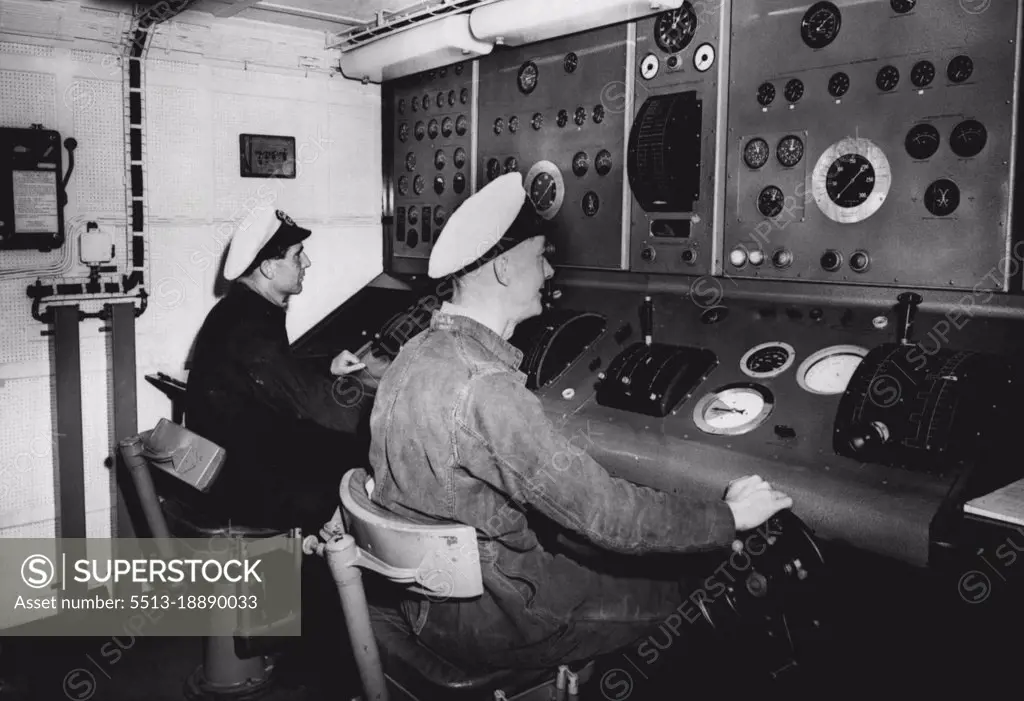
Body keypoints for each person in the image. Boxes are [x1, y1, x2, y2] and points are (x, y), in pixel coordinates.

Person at [366, 172, 794, 671]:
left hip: (430, 606)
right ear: (504, 268)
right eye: (541, 255)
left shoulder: (413, 353)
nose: (549, 272)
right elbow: (605, 515)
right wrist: (729, 517)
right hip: (505, 617)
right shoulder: (486, 388)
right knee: (693, 589)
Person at [185, 207, 386, 533]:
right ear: (267, 267)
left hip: (232, 461)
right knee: (366, 460)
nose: (306, 264)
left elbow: (271, 371)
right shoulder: (251, 325)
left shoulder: (241, 308)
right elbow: (309, 402)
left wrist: (326, 366)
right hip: (243, 487)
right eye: (297, 256)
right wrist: (382, 412)